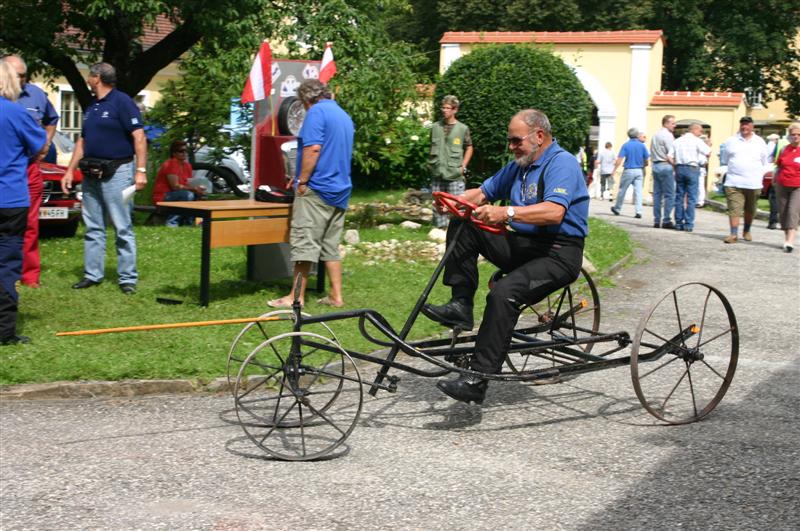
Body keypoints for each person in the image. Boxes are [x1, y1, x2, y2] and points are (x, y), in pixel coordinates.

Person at [422, 109, 589, 405]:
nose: (511, 147)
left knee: (503, 294)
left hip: (558, 253)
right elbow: (483, 193)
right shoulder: (521, 165)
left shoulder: (561, 163)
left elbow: (554, 211)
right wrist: (452, 204)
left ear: (539, 136)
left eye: (515, 140)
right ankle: (461, 304)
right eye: (510, 141)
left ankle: (477, 379)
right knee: (464, 222)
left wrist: (507, 212)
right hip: (525, 245)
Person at [60, 63, 147, 294]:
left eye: (90, 75)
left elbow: (139, 137)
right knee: (93, 226)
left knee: (122, 226)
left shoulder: (122, 102)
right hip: (91, 173)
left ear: (96, 78)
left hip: (117, 172)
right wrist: (70, 171)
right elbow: (82, 141)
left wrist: (141, 170)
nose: (88, 79)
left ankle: (127, 278)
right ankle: (92, 275)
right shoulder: (92, 107)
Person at [267, 79, 354, 309]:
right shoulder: (343, 115)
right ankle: (336, 296)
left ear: (306, 100)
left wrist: (302, 180)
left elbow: (313, 148)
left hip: (318, 188)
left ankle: (295, 297)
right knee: (331, 246)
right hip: (340, 189)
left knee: (304, 244)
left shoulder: (316, 113)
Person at [0, 61, 47, 345]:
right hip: (9, 197)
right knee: (6, 264)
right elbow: (40, 145)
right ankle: (4, 331)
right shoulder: (16, 113)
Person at [3, 55, 59, 288]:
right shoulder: (10, 106)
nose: (20, 80)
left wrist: (44, 145)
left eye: (24, 75)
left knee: (30, 223)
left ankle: (29, 275)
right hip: (10, 169)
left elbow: (52, 119)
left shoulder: (36, 94)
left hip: (28, 168)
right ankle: (8, 274)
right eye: (16, 76)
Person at [719, 116, 768, 244]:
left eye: (747, 124)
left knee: (750, 209)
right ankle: (733, 234)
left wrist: (759, 175)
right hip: (734, 181)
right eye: (742, 124)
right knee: (734, 208)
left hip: (753, 182)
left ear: (752, 127)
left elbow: (764, 161)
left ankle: (746, 230)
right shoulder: (731, 141)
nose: (744, 127)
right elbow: (725, 159)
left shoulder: (760, 142)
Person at [429, 95, 473, 228]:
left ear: (455, 110)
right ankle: (439, 230)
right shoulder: (435, 127)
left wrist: (463, 166)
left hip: (455, 173)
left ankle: (457, 229)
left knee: (457, 203)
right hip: (438, 171)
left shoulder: (462, 128)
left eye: (447, 108)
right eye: (443, 107)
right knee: (438, 204)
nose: (444, 110)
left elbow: (469, 147)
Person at [152, 140, 206, 226]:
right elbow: (175, 187)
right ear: (174, 153)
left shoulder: (187, 165)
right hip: (163, 196)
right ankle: (172, 222)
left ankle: (191, 222)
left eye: (186, 151)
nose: (184, 153)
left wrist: (198, 189)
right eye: (181, 151)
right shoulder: (170, 164)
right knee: (187, 195)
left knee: (198, 194)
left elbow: (188, 184)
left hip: (179, 195)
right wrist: (194, 189)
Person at [669, 123, 712, 232]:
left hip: (679, 168)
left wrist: (675, 165)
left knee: (679, 196)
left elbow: (669, 156)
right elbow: (708, 152)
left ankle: (678, 223)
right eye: (700, 131)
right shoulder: (697, 141)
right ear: (695, 130)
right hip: (692, 168)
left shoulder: (677, 141)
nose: (701, 133)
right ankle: (688, 224)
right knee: (692, 198)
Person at [611, 127, 649, 218]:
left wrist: (614, 170)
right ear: (636, 135)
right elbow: (647, 159)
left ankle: (617, 208)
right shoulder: (642, 145)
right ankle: (638, 211)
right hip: (639, 170)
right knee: (639, 191)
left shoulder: (626, 145)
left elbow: (619, 159)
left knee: (622, 190)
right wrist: (643, 165)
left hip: (629, 170)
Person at [773, 123, 800, 252]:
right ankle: (787, 239)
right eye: (793, 134)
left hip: (798, 186)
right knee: (783, 212)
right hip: (782, 184)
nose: (795, 137)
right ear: (789, 136)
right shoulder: (784, 149)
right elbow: (778, 166)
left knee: (792, 211)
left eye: (798, 135)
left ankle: (790, 241)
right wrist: (775, 179)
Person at [650, 115, 677, 229]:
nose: (674, 125)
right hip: (666, 165)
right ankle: (666, 219)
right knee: (670, 194)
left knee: (657, 194)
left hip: (656, 165)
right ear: (666, 123)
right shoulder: (668, 136)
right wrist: (675, 165)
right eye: (672, 123)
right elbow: (670, 153)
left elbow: (651, 150)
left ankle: (656, 220)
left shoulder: (655, 135)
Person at [765, 133, 781, 229]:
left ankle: (773, 221)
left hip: (779, 171)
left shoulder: (780, 143)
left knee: (774, 198)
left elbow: (773, 158)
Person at [696, 134, 711, 208]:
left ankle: (700, 201)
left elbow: (708, 154)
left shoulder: (705, 148)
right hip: (696, 166)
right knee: (696, 185)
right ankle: (697, 200)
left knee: (700, 185)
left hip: (700, 167)